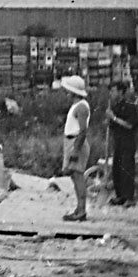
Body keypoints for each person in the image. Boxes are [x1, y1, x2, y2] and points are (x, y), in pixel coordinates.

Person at [58, 75, 91, 221]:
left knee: (78, 177)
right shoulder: (77, 106)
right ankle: (79, 208)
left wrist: (76, 150)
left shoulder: (81, 107)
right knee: (74, 176)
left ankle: (82, 210)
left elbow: (82, 131)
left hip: (76, 142)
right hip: (71, 141)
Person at [104, 81, 138, 205]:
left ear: (121, 92)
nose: (111, 94)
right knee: (117, 170)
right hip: (117, 142)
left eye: (113, 91)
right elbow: (113, 125)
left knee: (127, 169)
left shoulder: (130, 107)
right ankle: (120, 196)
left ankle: (129, 197)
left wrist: (113, 118)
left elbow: (129, 125)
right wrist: (109, 120)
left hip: (127, 142)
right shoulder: (114, 107)